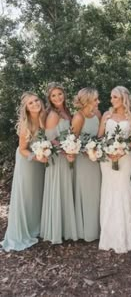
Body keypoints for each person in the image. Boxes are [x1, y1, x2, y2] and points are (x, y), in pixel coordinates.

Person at [98, 86, 131, 253]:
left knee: (123, 189)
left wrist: (123, 149)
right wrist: (108, 150)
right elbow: (100, 136)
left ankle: (125, 235)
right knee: (109, 190)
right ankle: (109, 235)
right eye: (111, 97)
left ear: (123, 98)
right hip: (106, 159)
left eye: (115, 97)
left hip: (125, 158)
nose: (112, 100)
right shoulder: (106, 115)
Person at [1, 92, 46, 251]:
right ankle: (23, 231)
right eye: (30, 103)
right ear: (26, 108)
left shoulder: (45, 117)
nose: (35, 104)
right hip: (28, 161)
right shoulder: (26, 124)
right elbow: (22, 150)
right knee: (26, 194)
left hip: (41, 161)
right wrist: (37, 157)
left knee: (37, 193)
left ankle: (37, 226)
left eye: (36, 100)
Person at [40, 82, 77, 244]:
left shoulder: (66, 112)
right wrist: (65, 150)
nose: (57, 98)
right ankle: (56, 230)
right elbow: (50, 139)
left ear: (64, 95)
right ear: (49, 98)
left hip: (66, 156)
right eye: (53, 95)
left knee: (65, 189)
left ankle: (65, 228)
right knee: (58, 189)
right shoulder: (53, 115)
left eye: (59, 94)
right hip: (57, 158)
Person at [72, 87, 101, 241]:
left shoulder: (97, 114)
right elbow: (72, 141)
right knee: (86, 193)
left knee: (96, 193)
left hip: (96, 160)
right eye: (96, 99)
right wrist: (85, 150)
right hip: (83, 162)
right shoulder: (78, 117)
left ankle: (97, 229)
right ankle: (86, 231)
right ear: (88, 100)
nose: (98, 102)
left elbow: (101, 136)